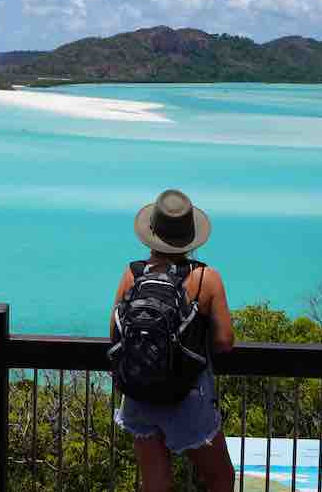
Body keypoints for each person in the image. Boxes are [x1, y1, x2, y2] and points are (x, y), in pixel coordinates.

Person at [111, 189, 235, 492]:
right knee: (221, 479)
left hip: (139, 394)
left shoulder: (132, 275)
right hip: (187, 398)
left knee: (155, 485)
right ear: (190, 237)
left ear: (152, 232)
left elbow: (115, 335)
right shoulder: (207, 279)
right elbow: (225, 341)